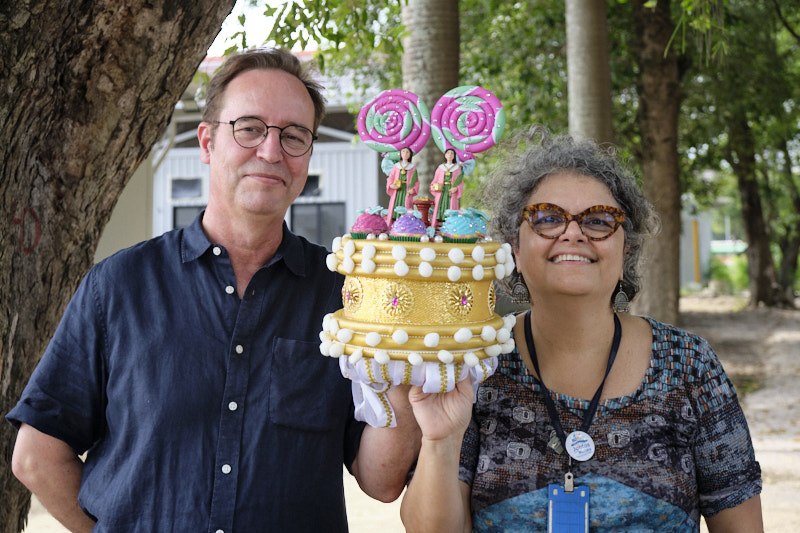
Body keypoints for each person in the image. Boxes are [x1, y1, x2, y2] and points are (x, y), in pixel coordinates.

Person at [7, 48, 420, 533]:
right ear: (207, 142)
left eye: (294, 136)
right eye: (249, 128)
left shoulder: (347, 296)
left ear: (308, 155)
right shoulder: (119, 287)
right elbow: (36, 456)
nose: (270, 151)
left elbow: (381, 481)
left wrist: (410, 363)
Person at [400, 127, 763, 532]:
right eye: (547, 218)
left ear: (626, 249)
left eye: (600, 220)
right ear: (514, 249)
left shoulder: (690, 365)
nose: (573, 232)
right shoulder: (475, 360)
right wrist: (439, 441)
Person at [430, 148, 464, 226]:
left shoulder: (457, 169)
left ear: (454, 156)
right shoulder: (440, 168)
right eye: (448, 153)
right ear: (445, 155)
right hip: (442, 190)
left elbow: (460, 182)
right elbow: (435, 180)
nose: (450, 155)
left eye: (452, 153)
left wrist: (456, 188)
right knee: (440, 205)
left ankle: (451, 224)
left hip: (451, 191)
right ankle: (439, 223)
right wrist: (433, 186)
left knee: (451, 206)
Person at [386, 147, 419, 223]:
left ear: (410, 154)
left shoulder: (412, 168)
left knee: (406, 205)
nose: (405, 154)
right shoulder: (396, 166)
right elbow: (391, 177)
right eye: (403, 152)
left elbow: (416, 181)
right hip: (397, 190)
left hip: (406, 190)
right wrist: (391, 185)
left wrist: (413, 189)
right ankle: (394, 221)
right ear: (400, 154)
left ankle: (405, 222)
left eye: (407, 152)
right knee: (395, 204)